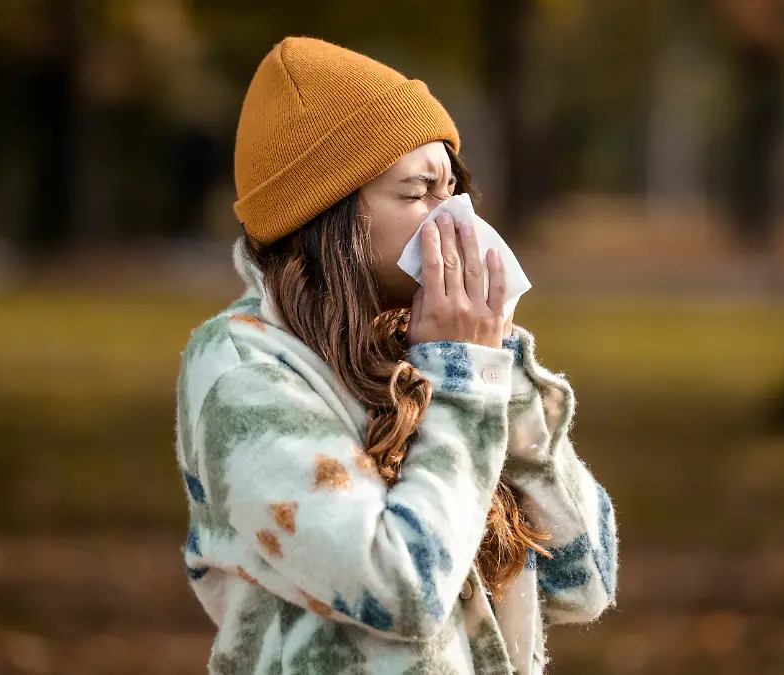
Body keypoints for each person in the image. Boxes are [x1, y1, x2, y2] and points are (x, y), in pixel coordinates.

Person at [175, 37, 617, 674]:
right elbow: (401, 587)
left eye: (453, 189)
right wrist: (464, 381)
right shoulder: (243, 368)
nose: (456, 219)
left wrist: (500, 373)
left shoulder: (427, 354)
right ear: (328, 216)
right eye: (417, 193)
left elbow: (582, 583)